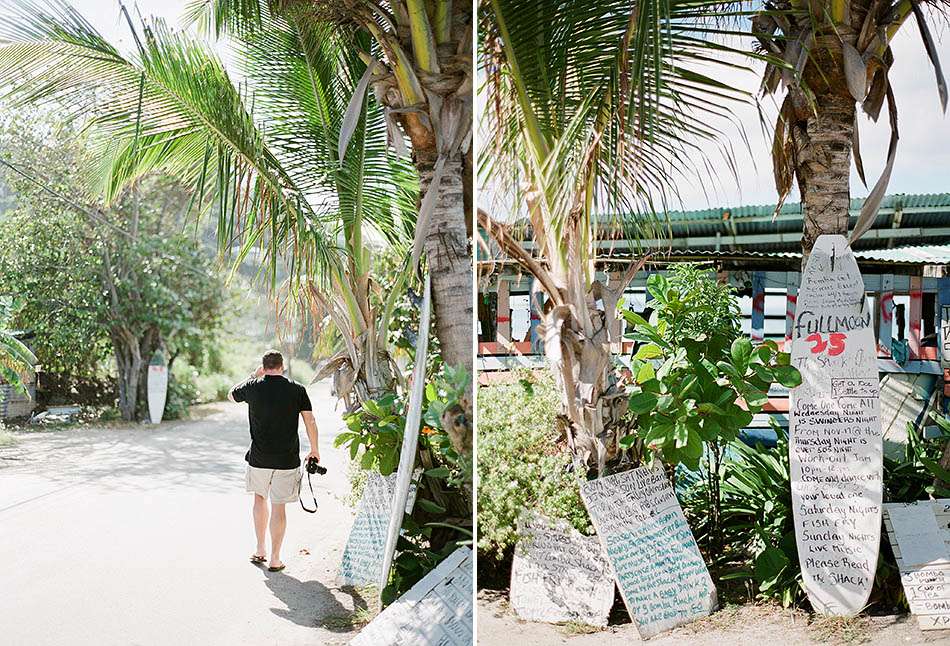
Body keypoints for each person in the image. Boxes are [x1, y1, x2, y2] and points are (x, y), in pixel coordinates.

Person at [228, 350, 320, 572]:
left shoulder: (253, 386)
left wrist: (253, 376)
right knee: (279, 508)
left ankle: (260, 549)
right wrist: (315, 450)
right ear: (282, 366)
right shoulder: (297, 390)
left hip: (259, 458)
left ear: (264, 366)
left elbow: (231, 395)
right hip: (287, 460)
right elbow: (310, 420)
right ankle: (276, 559)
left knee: (260, 500)